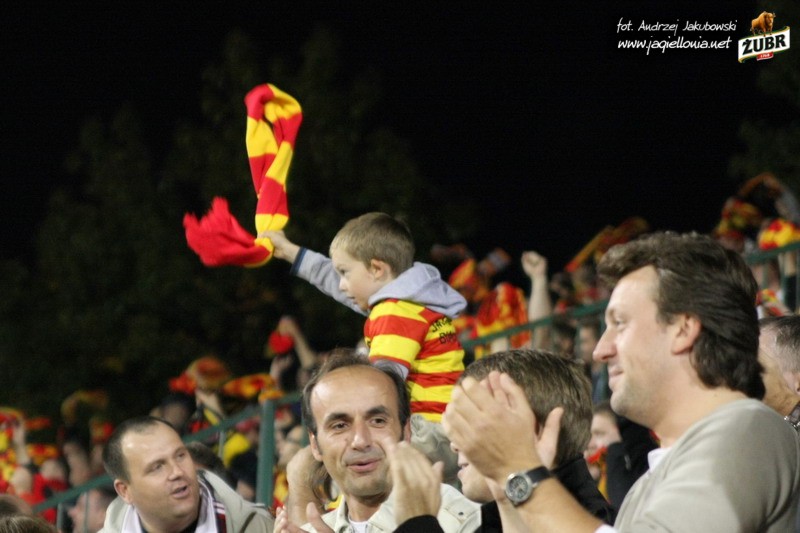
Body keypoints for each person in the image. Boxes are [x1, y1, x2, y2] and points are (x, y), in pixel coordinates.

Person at [443, 232, 800, 532]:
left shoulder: (750, 429)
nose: (601, 349)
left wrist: (522, 474)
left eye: (619, 323)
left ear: (682, 329)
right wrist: (510, 496)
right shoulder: (646, 486)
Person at [263, 213, 465, 478]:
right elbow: (338, 282)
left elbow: (382, 387)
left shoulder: (393, 313)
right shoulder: (413, 299)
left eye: (345, 273)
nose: (341, 285)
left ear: (377, 269)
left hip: (426, 435)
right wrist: (290, 252)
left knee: (345, 464)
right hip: (446, 430)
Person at [394, 349, 614, 532]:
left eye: (475, 420)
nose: (455, 444)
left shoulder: (598, 520)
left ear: (532, 428)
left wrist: (418, 523)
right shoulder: (495, 520)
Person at [274, 350, 480, 532]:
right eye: (340, 425)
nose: (360, 440)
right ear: (315, 445)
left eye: (377, 421)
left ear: (406, 431)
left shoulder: (465, 522)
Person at [99, 416, 274, 532]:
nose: (177, 472)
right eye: (157, 467)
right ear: (125, 491)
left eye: (180, 456)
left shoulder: (260, 528)